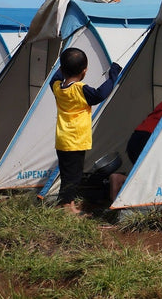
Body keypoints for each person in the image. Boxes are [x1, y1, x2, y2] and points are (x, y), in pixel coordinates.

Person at [50, 47, 121, 213]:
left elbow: (55, 77)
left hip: (63, 139)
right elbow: (99, 94)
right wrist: (114, 74)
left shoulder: (58, 88)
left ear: (62, 69)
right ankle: (68, 206)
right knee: (74, 175)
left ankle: (65, 203)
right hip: (76, 140)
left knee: (67, 173)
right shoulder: (80, 89)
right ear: (84, 71)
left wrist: (63, 68)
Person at [109, 89, 162, 200]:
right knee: (156, 178)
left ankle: (120, 184)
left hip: (138, 135)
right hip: (153, 137)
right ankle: (122, 182)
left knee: (147, 176)